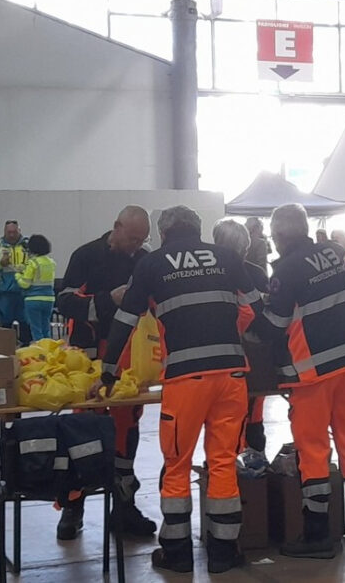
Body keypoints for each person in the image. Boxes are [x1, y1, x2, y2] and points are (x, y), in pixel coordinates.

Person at [97, 205, 265, 575]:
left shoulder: (152, 264)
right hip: (232, 375)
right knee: (222, 462)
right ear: (198, 228)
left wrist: (108, 371)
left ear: (163, 231)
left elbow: (126, 318)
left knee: (177, 464)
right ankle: (223, 552)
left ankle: (177, 553)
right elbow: (257, 308)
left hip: (186, 379)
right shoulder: (226, 256)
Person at [265, 203, 345, 560]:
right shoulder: (331, 252)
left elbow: (274, 325)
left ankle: (317, 533)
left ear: (281, 236)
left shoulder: (285, 269)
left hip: (312, 372)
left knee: (312, 448)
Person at [54, 205, 154, 541]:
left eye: (142, 240)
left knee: (127, 432)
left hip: (129, 359)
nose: (135, 245)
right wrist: (108, 300)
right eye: (132, 238)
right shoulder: (85, 256)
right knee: (82, 431)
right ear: (116, 227)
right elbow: (64, 302)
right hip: (86, 359)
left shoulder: (144, 259)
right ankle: (72, 508)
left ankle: (124, 508)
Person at [213, 218, 271, 455]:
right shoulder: (256, 274)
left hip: (219, 359)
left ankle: (224, 468)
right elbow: (265, 314)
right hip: (254, 357)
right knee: (254, 414)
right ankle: (254, 471)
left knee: (222, 420)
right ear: (245, 248)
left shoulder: (208, 274)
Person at [0, 220, 30, 343]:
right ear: (4, 232)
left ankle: (27, 354)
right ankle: (4, 355)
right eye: (9, 232)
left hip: (25, 293)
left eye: (14, 232)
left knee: (26, 326)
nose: (11, 235)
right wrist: (0, 265)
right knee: (4, 328)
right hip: (4, 294)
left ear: (19, 231)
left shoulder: (28, 246)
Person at [16, 234, 56, 343]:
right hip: (49, 299)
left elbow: (25, 284)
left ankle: (40, 352)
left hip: (33, 299)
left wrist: (18, 275)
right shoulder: (51, 263)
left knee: (36, 330)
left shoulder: (33, 262)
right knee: (46, 327)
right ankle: (49, 351)